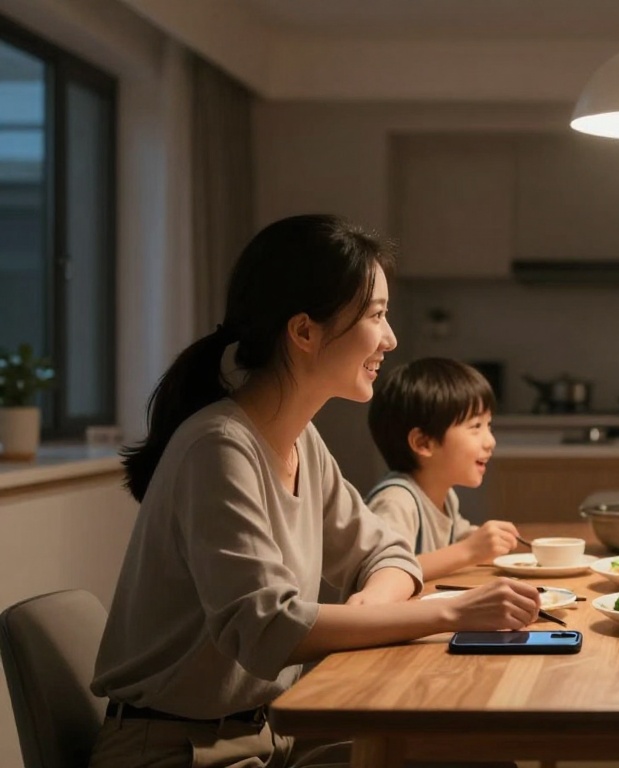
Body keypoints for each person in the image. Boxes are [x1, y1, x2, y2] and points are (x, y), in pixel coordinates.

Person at [89, 214, 540, 768]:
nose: (391, 338)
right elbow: (267, 630)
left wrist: (373, 606)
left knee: (478, 757)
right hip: (177, 752)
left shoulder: (302, 439)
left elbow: (388, 553)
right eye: (376, 315)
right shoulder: (219, 447)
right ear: (304, 332)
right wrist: (451, 615)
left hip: (268, 739)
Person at [366, 357, 521, 581]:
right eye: (476, 426)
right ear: (424, 443)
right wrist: (470, 549)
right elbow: (384, 574)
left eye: (489, 425)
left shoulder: (445, 496)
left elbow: (458, 537)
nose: (490, 442)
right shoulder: (396, 502)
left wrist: (482, 539)